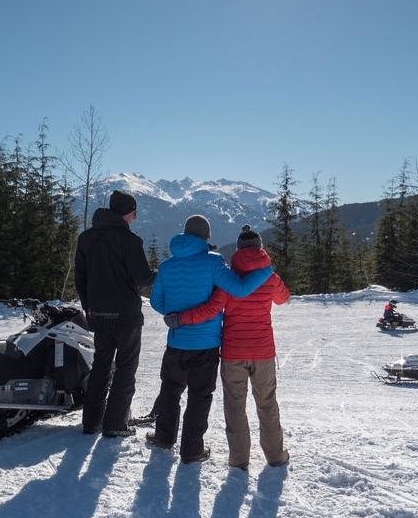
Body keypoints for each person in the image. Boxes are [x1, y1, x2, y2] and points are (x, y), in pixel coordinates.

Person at [144, 215, 273, 464]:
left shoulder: (168, 265)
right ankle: (192, 451)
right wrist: (266, 271)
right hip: (206, 344)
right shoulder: (214, 263)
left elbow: (156, 302)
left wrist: (175, 315)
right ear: (206, 236)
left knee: (170, 391)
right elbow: (240, 289)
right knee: (199, 395)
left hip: (176, 341)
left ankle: (163, 437)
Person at [75, 190, 156, 437]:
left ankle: (91, 422)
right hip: (126, 316)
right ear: (128, 213)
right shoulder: (130, 241)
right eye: (134, 213)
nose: (134, 218)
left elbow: (81, 279)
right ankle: (115, 424)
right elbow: (142, 278)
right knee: (125, 367)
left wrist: (89, 307)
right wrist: (158, 274)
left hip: (98, 314)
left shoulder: (86, 238)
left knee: (100, 365)